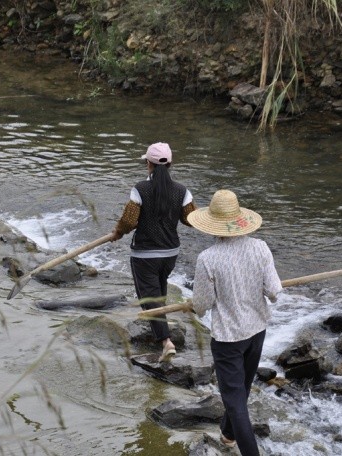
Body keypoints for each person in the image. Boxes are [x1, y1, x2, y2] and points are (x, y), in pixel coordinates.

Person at [188, 189, 282, 456]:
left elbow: (202, 305)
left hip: (229, 338)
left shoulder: (208, 258)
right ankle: (228, 434)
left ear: (213, 225)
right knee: (241, 390)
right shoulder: (260, 247)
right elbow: (274, 292)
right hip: (257, 331)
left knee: (235, 400)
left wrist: (196, 305)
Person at [112, 142, 197, 362]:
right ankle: (161, 325)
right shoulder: (182, 191)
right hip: (170, 253)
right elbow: (190, 219)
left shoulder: (140, 189)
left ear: (148, 164)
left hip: (145, 255)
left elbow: (129, 221)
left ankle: (165, 341)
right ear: (170, 164)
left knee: (149, 297)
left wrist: (117, 232)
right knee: (158, 292)